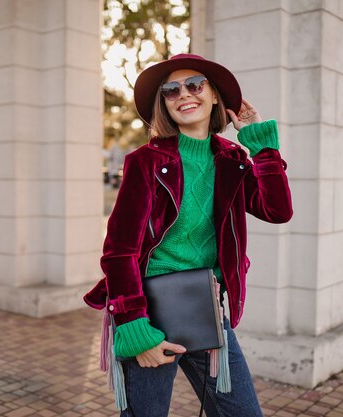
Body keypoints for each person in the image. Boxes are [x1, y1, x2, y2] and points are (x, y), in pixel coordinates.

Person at [84, 53, 293, 417]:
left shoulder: (233, 159)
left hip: (206, 306)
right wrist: (135, 327)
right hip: (148, 312)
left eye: (196, 84)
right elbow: (119, 252)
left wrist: (261, 145)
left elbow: (277, 211)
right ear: (163, 103)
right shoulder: (144, 162)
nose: (184, 94)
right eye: (170, 90)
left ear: (214, 96)